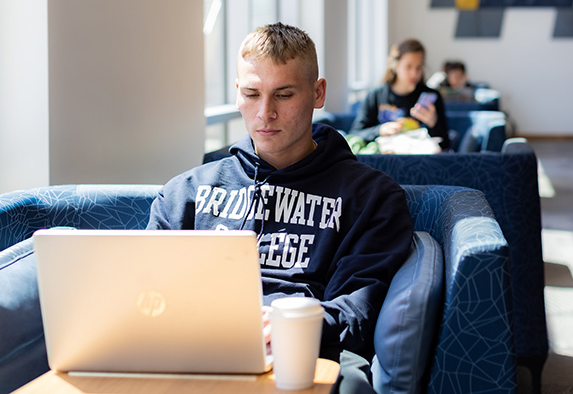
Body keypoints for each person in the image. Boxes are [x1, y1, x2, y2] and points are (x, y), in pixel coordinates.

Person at [146, 23, 414, 392]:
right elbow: (146, 292)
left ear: (317, 93)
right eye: (252, 94)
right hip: (192, 347)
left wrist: (295, 324)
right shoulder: (184, 194)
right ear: (238, 93)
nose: (265, 113)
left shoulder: (371, 197)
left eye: (284, 95)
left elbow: (359, 307)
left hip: (300, 353)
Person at [350, 39, 450, 150]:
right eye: (408, 67)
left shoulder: (432, 96)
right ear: (395, 65)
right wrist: (380, 130)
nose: (414, 73)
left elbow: (445, 143)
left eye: (419, 67)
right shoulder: (375, 95)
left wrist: (433, 123)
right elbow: (355, 134)